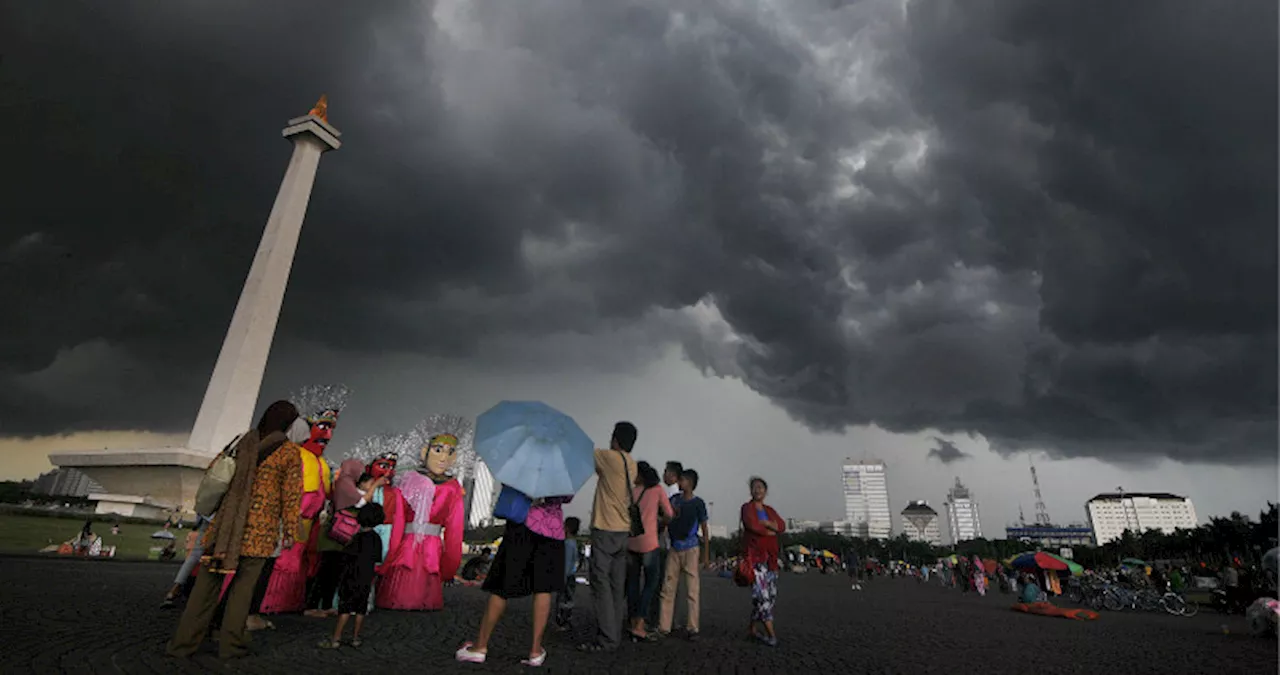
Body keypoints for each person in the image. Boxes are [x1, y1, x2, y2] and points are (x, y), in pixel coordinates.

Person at [167, 400, 301, 660]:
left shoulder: (241, 441)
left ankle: (182, 644)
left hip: (224, 528)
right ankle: (231, 644)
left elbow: (215, 473)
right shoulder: (289, 452)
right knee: (243, 590)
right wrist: (290, 532)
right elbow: (291, 496)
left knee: (205, 588)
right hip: (260, 532)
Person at [456, 490, 573, 667]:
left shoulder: (521, 462)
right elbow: (567, 496)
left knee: (501, 585)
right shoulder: (563, 466)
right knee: (543, 589)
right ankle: (535, 650)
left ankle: (480, 647)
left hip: (521, 524)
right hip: (552, 530)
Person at [260, 408, 339, 615]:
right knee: (279, 562)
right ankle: (266, 603)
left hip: (306, 528)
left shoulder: (321, 463)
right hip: (285, 525)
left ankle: (288, 602)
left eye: (331, 429)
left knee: (296, 563)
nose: (328, 435)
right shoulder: (293, 456)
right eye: (322, 427)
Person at [377, 433, 465, 611]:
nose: (443, 458)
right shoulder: (453, 488)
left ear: (454, 458)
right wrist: (450, 567)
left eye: (449, 453)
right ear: (425, 451)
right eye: (438, 450)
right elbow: (454, 533)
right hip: (429, 543)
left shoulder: (408, 480)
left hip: (409, 541)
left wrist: (390, 555)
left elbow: (398, 522)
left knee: (406, 571)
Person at [577, 422, 639, 654]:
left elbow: (583, 451)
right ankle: (613, 633)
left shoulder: (609, 457)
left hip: (605, 528)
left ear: (615, 439)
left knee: (600, 584)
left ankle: (607, 638)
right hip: (623, 531)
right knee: (615, 586)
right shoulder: (630, 463)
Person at [306, 462, 381, 618]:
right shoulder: (344, 485)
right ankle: (312, 606)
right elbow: (360, 502)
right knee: (325, 573)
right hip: (333, 538)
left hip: (343, 539)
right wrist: (375, 486)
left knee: (335, 573)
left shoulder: (349, 486)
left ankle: (325, 606)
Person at [318, 502, 385, 649]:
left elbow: (347, 557)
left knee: (345, 607)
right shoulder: (376, 539)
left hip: (351, 575)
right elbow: (377, 558)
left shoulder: (357, 538)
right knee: (360, 608)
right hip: (367, 577)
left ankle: (336, 638)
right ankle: (355, 637)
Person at [657, 468, 709, 640]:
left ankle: (693, 627)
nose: (680, 483)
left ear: (691, 483)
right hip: (675, 548)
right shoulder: (673, 500)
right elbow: (665, 519)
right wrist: (669, 517)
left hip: (691, 548)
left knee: (692, 590)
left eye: (683, 480)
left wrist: (706, 555)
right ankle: (664, 626)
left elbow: (704, 528)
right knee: (668, 588)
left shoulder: (698, 503)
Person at [625, 462, 673, 642]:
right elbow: (669, 513)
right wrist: (660, 520)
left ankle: (631, 620)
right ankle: (640, 623)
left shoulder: (631, 491)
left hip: (631, 542)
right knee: (651, 583)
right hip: (649, 543)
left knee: (632, 584)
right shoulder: (658, 490)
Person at [740, 476, 785, 647]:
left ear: (766, 491)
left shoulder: (769, 510)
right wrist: (770, 529)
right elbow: (752, 525)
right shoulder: (747, 508)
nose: (757, 490)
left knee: (770, 596)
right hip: (755, 560)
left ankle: (752, 628)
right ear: (750, 491)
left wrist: (767, 523)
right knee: (763, 598)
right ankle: (771, 635)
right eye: (754, 487)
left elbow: (781, 526)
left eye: (761, 487)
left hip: (771, 561)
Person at [555, 517, 582, 630]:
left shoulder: (567, 544)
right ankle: (567, 620)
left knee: (562, 600)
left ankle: (562, 621)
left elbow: (566, 563)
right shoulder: (574, 543)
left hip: (565, 576)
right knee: (568, 600)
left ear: (566, 528)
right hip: (571, 576)